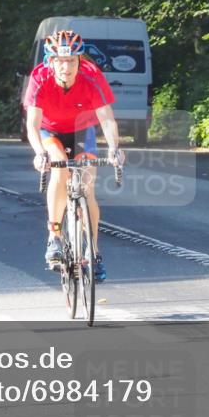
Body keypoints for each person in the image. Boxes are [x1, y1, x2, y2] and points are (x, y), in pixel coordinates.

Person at [23, 29, 124, 281]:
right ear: (50, 61)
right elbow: (32, 125)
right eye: (59, 60)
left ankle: (93, 252)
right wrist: (39, 154)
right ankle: (54, 236)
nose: (65, 67)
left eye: (71, 61)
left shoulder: (91, 76)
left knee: (87, 188)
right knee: (59, 165)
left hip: (82, 129)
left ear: (80, 61)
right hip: (50, 130)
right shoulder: (40, 78)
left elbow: (107, 119)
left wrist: (114, 148)